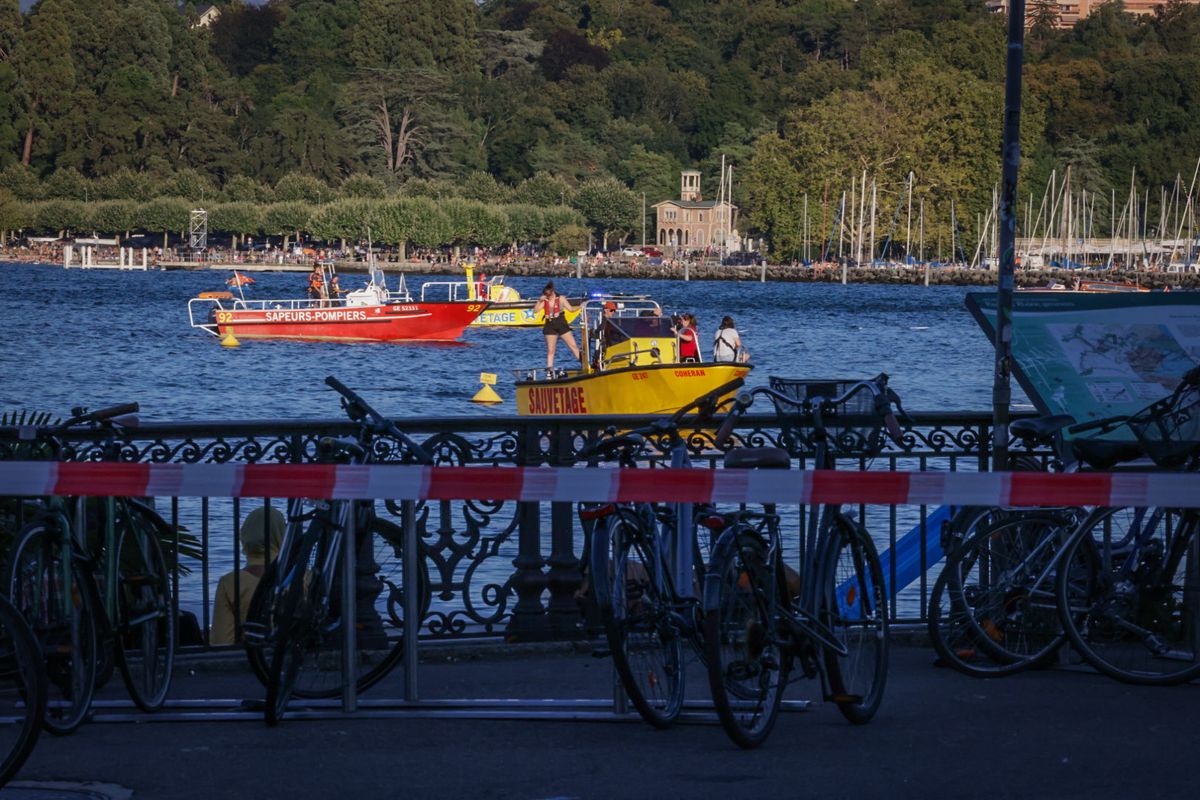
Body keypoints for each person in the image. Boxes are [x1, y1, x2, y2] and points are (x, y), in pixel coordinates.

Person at [210, 506, 286, 645]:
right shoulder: (304, 577)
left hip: (251, 658)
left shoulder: (230, 583)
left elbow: (221, 642)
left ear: (244, 536)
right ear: (282, 535)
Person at [535, 281, 581, 373]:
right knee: (551, 350)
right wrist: (539, 301)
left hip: (561, 322)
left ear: (553, 292)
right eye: (546, 295)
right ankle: (549, 369)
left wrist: (580, 306)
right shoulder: (545, 301)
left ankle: (584, 363)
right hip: (550, 324)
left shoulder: (561, 299)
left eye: (550, 295)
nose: (549, 297)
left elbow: (571, 309)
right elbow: (536, 310)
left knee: (573, 346)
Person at [591, 301, 617, 368]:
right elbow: (598, 332)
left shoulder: (609, 321)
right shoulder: (602, 321)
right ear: (606, 310)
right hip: (604, 345)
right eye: (612, 310)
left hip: (609, 344)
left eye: (614, 311)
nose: (613, 312)